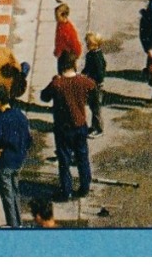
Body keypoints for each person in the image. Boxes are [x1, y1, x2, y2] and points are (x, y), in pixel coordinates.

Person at [40, 50, 96, 199]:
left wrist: (54, 80)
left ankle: (67, 190)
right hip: (80, 125)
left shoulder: (57, 83)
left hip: (63, 128)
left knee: (64, 160)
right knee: (82, 157)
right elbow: (92, 87)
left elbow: (44, 97)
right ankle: (84, 187)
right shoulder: (83, 81)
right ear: (74, 65)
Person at [0, 89, 33, 227]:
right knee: (15, 192)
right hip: (18, 161)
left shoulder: (1, 119)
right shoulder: (20, 115)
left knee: (7, 197)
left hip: (4, 163)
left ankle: (13, 226)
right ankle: (18, 223)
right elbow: (28, 140)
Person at [82, 32, 107, 135]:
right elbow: (88, 67)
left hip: (95, 84)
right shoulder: (91, 54)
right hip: (91, 83)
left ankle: (99, 129)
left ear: (96, 44)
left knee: (96, 107)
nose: (87, 45)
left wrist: (98, 82)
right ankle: (93, 126)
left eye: (89, 43)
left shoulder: (96, 57)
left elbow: (100, 72)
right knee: (93, 106)